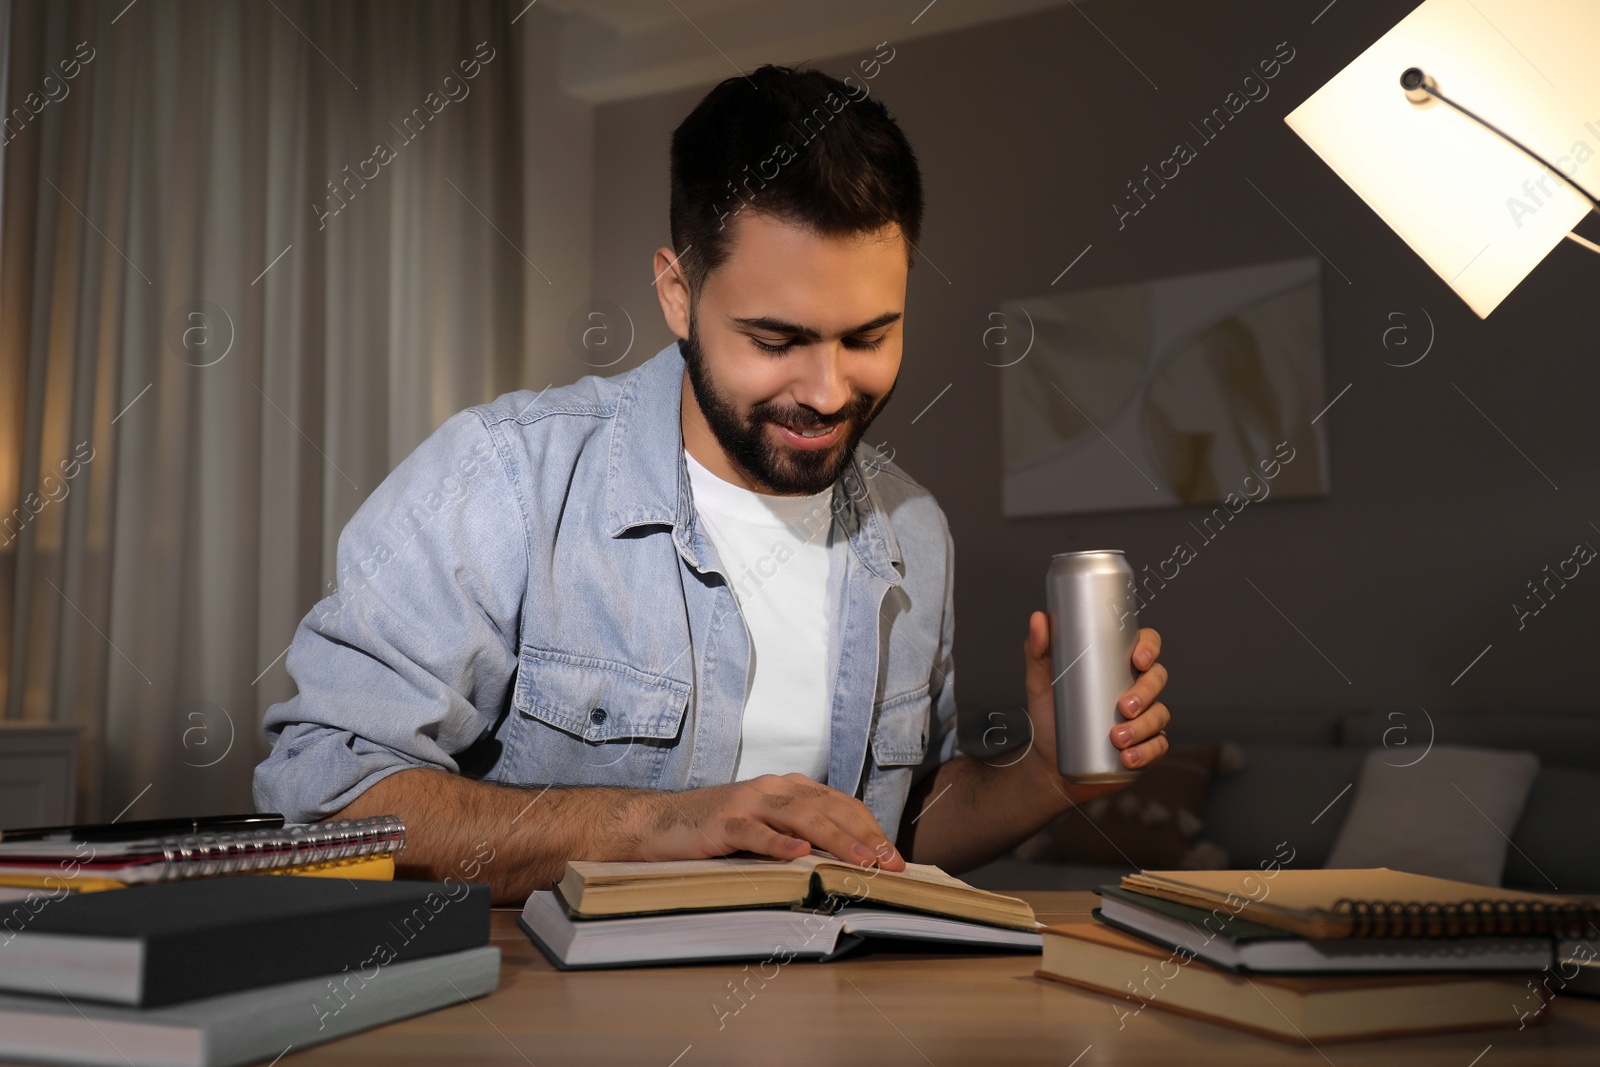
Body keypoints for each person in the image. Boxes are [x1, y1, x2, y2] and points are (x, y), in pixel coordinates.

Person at [253, 63, 1171, 904]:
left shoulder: (912, 530)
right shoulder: (506, 477)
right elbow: (324, 794)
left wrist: (1048, 774)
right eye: (776, 341)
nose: (825, 391)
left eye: (867, 337)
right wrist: (661, 824)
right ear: (676, 294)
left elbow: (890, 829)